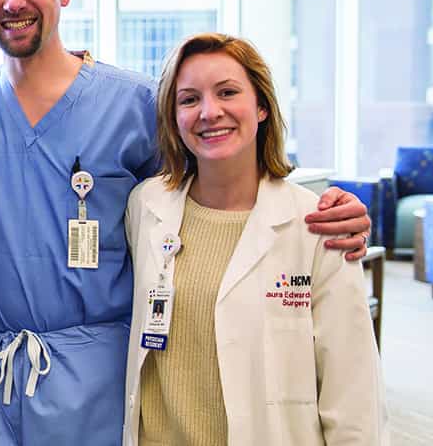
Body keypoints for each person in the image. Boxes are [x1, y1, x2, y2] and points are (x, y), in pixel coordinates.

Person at [0, 0, 371, 445]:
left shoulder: (137, 104)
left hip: (94, 377)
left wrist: (331, 213)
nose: (13, 1)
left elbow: (220, 187)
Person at [122, 33, 385, 444]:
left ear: (261, 106)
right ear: (173, 118)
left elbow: (353, 387)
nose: (210, 112)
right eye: (189, 100)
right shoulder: (145, 207)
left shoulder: (316, 223)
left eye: (227, 92)